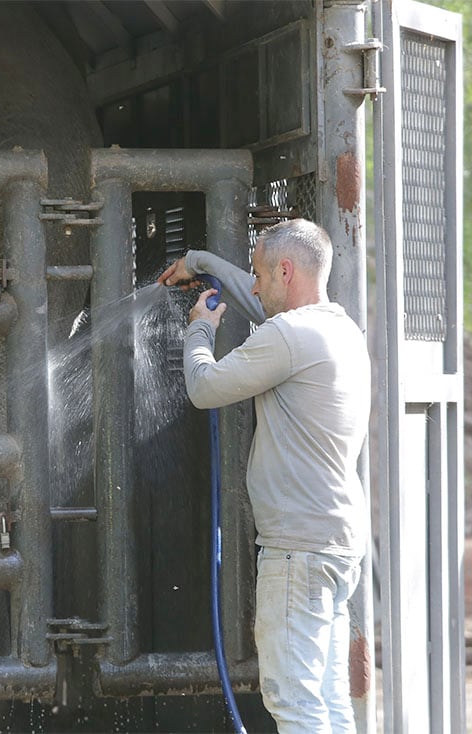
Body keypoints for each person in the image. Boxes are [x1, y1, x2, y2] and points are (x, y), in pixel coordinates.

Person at [158, 219, 370, 734]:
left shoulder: (291, 337)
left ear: (285, 270)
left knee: (293, 702)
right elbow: (263, 312)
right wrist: (203, 263)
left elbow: (204, 387)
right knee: (328, 700)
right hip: (336, 542)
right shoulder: (336, 329)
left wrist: (200, 330)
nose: (251, 286)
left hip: (298, 549)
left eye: (257, 273)